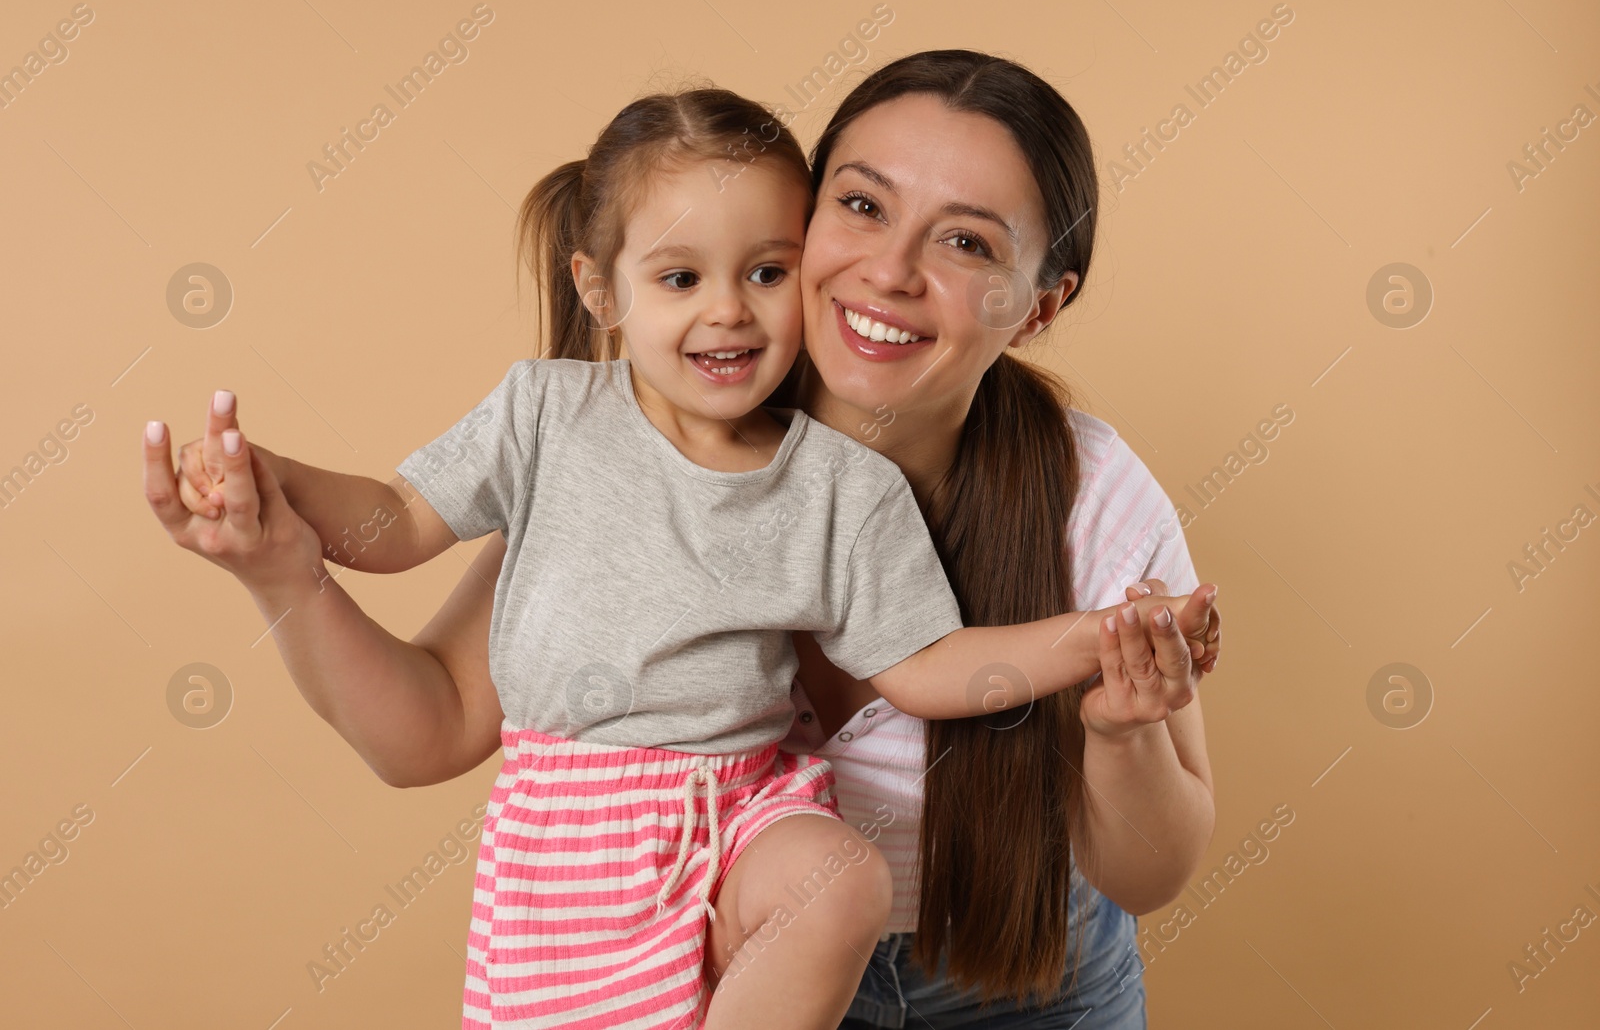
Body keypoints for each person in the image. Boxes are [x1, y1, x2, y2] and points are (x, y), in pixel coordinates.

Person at [142, 78, 1216, 1029]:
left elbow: (1136, 856)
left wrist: (1115, 708)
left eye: (967, 240)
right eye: (861, 205)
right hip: (734, 973)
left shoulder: (1075, 495)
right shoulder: (622, 442)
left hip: (1019, 981)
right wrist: (280, 557)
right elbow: (426, 709)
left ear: (1038, 304)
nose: (889, 268)